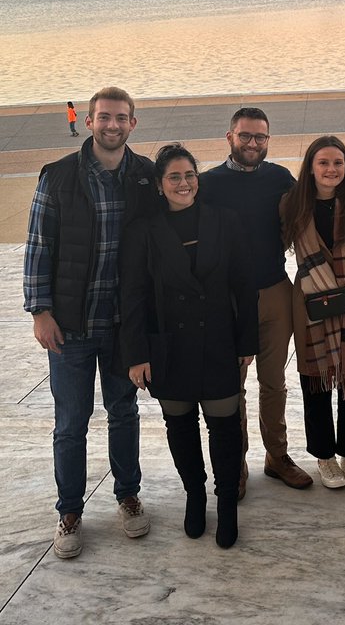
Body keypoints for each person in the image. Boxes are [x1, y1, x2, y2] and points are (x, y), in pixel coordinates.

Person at [23, 86, 156, 560]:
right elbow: (38, 246)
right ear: (90, 121)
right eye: (104, 117)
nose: (112, 125)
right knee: (70, 424)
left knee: (124, 414)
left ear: (133, 124)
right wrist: (40, 311)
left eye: (121, 118)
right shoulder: (58, 176)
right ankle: (70, 510)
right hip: (72, 326)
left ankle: (127, 495)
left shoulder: (146, 176)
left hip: (123, 325)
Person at [120, 145, 258, 549]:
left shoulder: (224, 222)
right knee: (179, 426)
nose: (184, 184)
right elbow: (133, 296)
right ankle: (195, 496)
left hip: (218, 339)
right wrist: (137, 353)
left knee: (225, 426)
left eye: (189, 175)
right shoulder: (143, 231)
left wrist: (246, 341)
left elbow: (244, 286)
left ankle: (227, 503)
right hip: (168, 345)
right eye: (174, 177)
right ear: (161, 186)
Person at [200, 107, 309, 496]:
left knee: (274, 382)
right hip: (228, 301)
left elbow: (306, 216)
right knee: (234, 386)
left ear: (268, 140)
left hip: (276, 290)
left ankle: (277, 457)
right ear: (229, 137)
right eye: (245, 136)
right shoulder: (208, 183)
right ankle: (237, 461)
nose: (252, 143)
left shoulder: (280, 178)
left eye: (260, 137)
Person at [280, 136, 345, 490]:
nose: (331, 169)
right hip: (310, 305)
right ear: (310, 167)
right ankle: (324, 456)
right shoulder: (291, 204)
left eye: (338, 162)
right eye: (323, 162)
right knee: (315, 384)